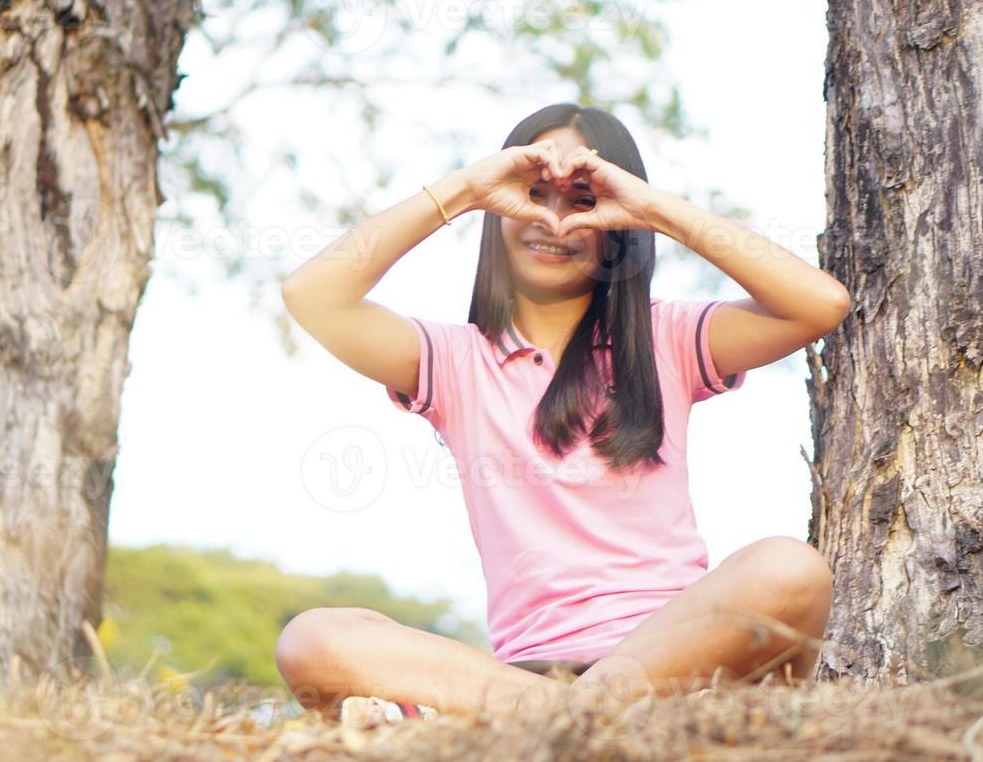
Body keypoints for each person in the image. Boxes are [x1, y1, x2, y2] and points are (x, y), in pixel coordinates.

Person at [275, 103, 850, 723]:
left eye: (582, 200)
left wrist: (652, 208)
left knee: (790, 568)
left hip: (677, 664)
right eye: (533, 194)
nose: (552, 219)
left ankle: (558, 722)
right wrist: (465, 189)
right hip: (517, 682)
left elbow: (819, 305)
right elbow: (312, 297)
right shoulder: (455, 361)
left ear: (617, 221)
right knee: (312, 639)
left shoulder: (668, 340)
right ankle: (570, 718)